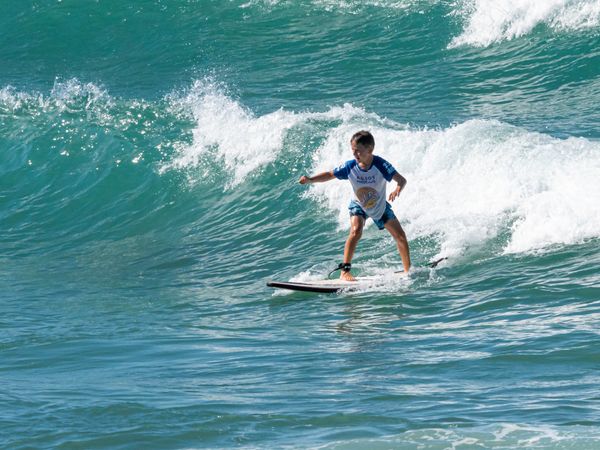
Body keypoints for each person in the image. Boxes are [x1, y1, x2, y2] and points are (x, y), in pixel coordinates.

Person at [299, 130, 411, 281]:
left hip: (378, 205)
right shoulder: (351, 166)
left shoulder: (381, 164)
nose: (355, 154)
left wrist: (397, 189)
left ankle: (408, 271)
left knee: (400, 236)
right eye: (353, 150)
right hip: (358, 204)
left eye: (358, 150)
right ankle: (345, 271)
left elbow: (401, 180)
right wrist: (310, 180)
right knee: (356, 231)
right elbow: (330, 174)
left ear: (370, 149)